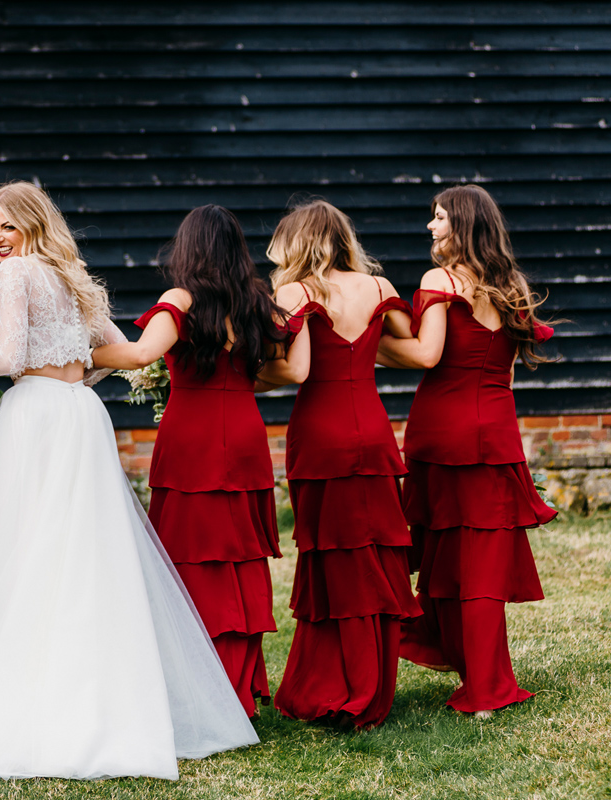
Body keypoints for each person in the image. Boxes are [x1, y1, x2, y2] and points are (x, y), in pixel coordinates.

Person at [0, 182, 259, 781]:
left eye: (6, 226)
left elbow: (7, 359)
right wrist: (79, 365)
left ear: (32, 224)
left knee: (25, 555)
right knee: (86, 554)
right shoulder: (73, 274)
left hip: (34, 416)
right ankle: (105, 702)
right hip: (80, 415)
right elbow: (133, 353)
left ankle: (33, 696)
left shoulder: (17, 275)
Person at [90, 204, 305, 718]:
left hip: (193, 438)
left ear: (188, 248)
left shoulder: (180, 299)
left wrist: (80, 354)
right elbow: (281, 367)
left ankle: (201, 687)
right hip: (245, 432)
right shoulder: (256, 300)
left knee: (191, 559)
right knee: (238, 558)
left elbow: (143, 354)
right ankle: (238, 687)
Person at [378, 185, 556, 717]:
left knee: (449, 556)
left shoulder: (441, 280)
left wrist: (361, 346)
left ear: (461, 224)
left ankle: (479, 682)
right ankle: (484, 681)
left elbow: (427, 354)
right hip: (497, 434)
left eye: (437, 217)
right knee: (480, 562)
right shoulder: (512, 285)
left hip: (443, 434)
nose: (431, 227)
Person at [267, 199, 421, 730]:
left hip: (319, 436)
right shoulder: (380, 289)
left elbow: (288, 367)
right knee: (375, 555)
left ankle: (338, 684)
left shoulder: (295, 293)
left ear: (300, 242)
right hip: (374, 431)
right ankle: (372, 683)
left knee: (332, 557)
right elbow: (415, 348)